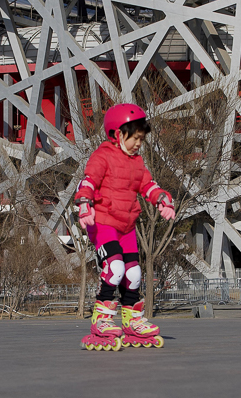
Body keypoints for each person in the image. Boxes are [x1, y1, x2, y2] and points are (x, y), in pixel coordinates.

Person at [74, 103, 175, 350]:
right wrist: (84, 203)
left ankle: (131, 321)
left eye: (142, 139)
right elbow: (88, 180)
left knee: (133, 274)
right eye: (135, 138)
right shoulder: (103, 156)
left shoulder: (137, 162)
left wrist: (162, 198)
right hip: (104, 222)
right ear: (118, 133)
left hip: (127, 225)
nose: (139, 143)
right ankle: (101, 319)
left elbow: (147, 185)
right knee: (115, 267)